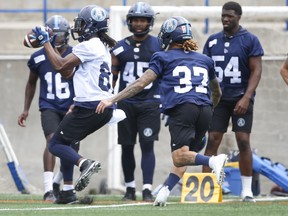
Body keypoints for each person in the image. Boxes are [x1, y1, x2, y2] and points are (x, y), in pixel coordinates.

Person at [96, 16, 228, 207]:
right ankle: (165, 190)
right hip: (205, 109)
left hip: (183, 108)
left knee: (179, 156)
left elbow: (141, 83)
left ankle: (213, 161)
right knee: (186, 154)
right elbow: (217, 92)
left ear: (169, 36)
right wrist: (210, 109)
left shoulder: (162, 56)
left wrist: (112, 99)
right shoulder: (204, 60)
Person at [31, 5, 119, 204]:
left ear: (90, 26)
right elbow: (67, 72)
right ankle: (68, 192)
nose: (77, 27)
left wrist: (46, 43)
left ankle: (85, 163)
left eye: (81, 23)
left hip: (90, 106)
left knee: (55, 144)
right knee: (67, 143)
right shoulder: (102, 45)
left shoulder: (89, 45)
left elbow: (60, 65)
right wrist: (51, 46)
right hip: (102, 108)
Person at [201, 1, 264, 203]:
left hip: (240, 98)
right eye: (223, 15)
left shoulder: (250, 40)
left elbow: (256, 71)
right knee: (212, 140)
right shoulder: (212, 41)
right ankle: (207, 187)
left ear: (238, 17)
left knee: (243, 141)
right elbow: (206, 71)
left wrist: (246, 97)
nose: (225, 19)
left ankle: (246, 190)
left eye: (230, 16)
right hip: (218, 99)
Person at [18, 15, 77, 202]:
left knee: (70, 144)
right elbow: (31, 84)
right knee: (52, 142)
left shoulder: (76, 53)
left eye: (61, 35)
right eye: (55, 36)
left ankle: (66, 186)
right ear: (48, 35)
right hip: (49, 105)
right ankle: (48, 189)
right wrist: (26, 109)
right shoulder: (38, 57)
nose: (58, 39)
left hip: (71, 106)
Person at [110, 2, 161, 202]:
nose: (139, 24)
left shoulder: (158, 44)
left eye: (143, 20)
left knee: (147, 144)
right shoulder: (119, 46)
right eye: (135, 20)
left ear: (149, 22)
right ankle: (130, 188)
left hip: (150, 102)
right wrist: (110, 97)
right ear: (129, 21)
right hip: (126, 104)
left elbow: (164, 74)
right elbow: (113, 76)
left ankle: (147, 188)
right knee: (127, 145)